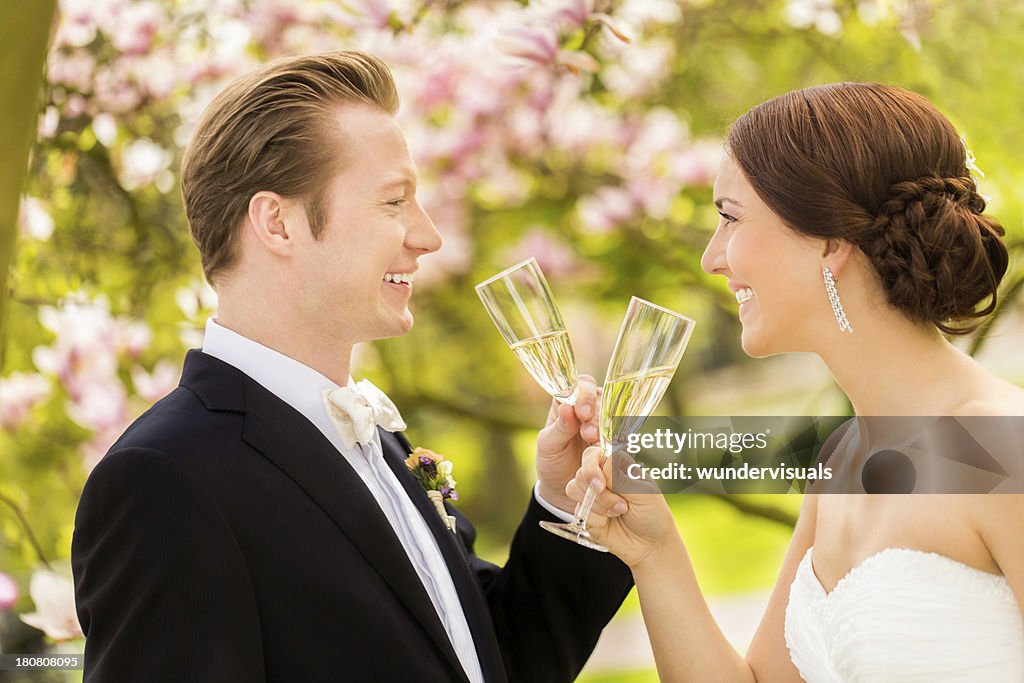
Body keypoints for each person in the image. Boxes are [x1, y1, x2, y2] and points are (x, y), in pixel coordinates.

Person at [70, 50, 633, 683]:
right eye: (394, 202)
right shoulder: (164, 481)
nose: (428, 236)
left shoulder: (379, 438)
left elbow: (492, 659)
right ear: (277, 223)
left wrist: (564, 502)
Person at [566, 83, 1024, 681]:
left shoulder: (997, 445)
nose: (712, 257)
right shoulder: (839, 460)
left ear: (830, 242)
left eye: (730, 218)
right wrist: (654, 554)